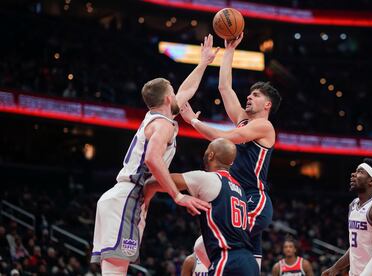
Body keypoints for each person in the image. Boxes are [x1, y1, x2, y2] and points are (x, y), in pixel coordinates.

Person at [91, 34, 218, 275]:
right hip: (126, 197)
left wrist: (204, 62)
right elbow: (151, 158)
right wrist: (178, 196)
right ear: (168, 98)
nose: (177, 94)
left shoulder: (159, 118)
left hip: (126, 198)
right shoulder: (163, 125)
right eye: (173, 92)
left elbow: (187, 90)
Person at [180, 32, 282, 268]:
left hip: (253, 199)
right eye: (249, 93)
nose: (249, 97)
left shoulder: (264, 127)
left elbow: (226, 138)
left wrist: (193, 122)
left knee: (210, 247)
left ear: (267, 104)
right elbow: (225, 88)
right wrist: (229, 50)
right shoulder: (243, 119)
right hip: (237, 196)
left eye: (255, 95)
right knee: (248, 261)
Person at [145, 138, 259, 276]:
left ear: (210, 155)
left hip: (228, 260)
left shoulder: (207, 178)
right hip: (249, 262)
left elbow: (157, 182)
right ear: (231, 162)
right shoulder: (239, 189)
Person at [322, 158, 372, 276]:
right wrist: (336, 268)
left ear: (371, 181)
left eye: (360, 172)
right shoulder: (353, 205)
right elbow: (355, 247)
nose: (353, 174)